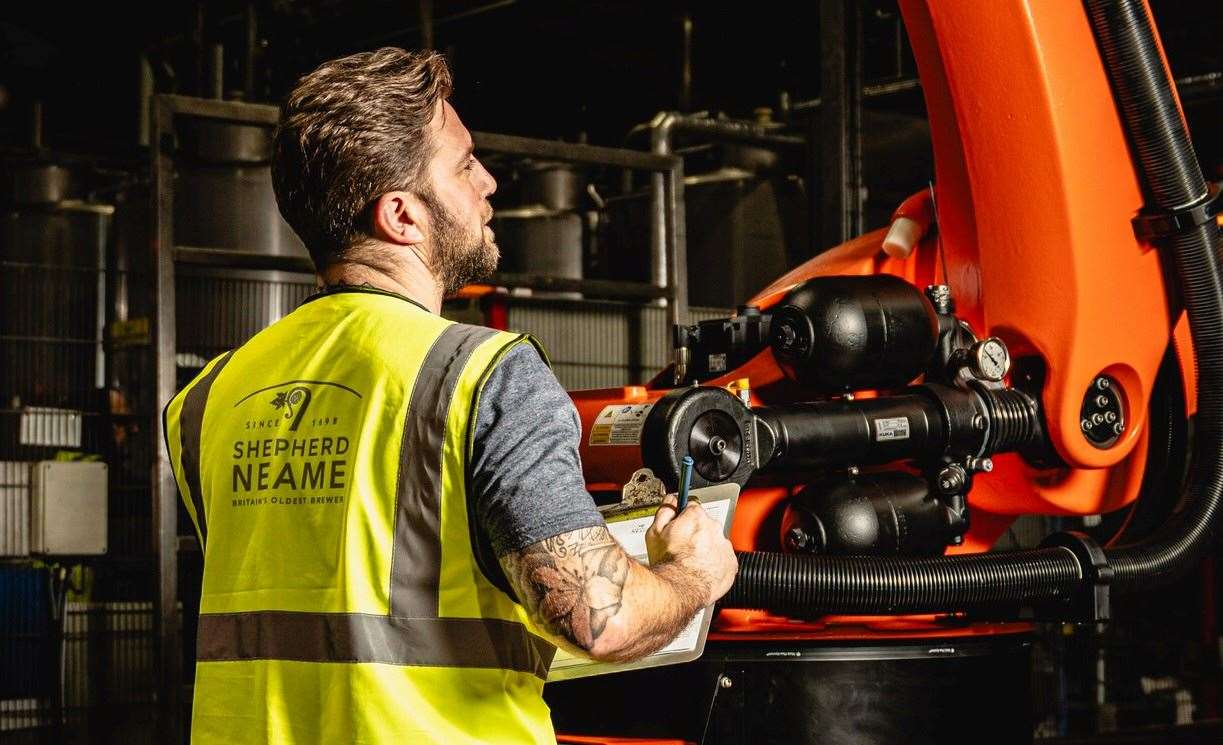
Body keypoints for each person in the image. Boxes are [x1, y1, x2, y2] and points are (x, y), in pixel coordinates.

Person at [163, 47, 738, 744]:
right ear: (401, 215)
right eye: (465, 164)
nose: (489, 182)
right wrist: (691, 575)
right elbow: (597, 616)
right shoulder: (480, 372)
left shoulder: (204, 400)